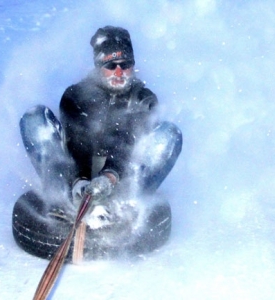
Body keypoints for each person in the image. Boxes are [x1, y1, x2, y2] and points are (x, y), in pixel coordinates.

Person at [12, 26, 182, 260]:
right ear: (99, 67)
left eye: (126, 64)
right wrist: (78, 181)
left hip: (120, 179)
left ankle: (121, 209)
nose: (119, 72)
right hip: (77, 177)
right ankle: (64, 203)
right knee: (34, 118)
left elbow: (128, 141)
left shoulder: (143, 99)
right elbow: (77, 141)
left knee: (169, 133)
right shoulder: (76, 95)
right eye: (111, 65)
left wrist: (110, 177)